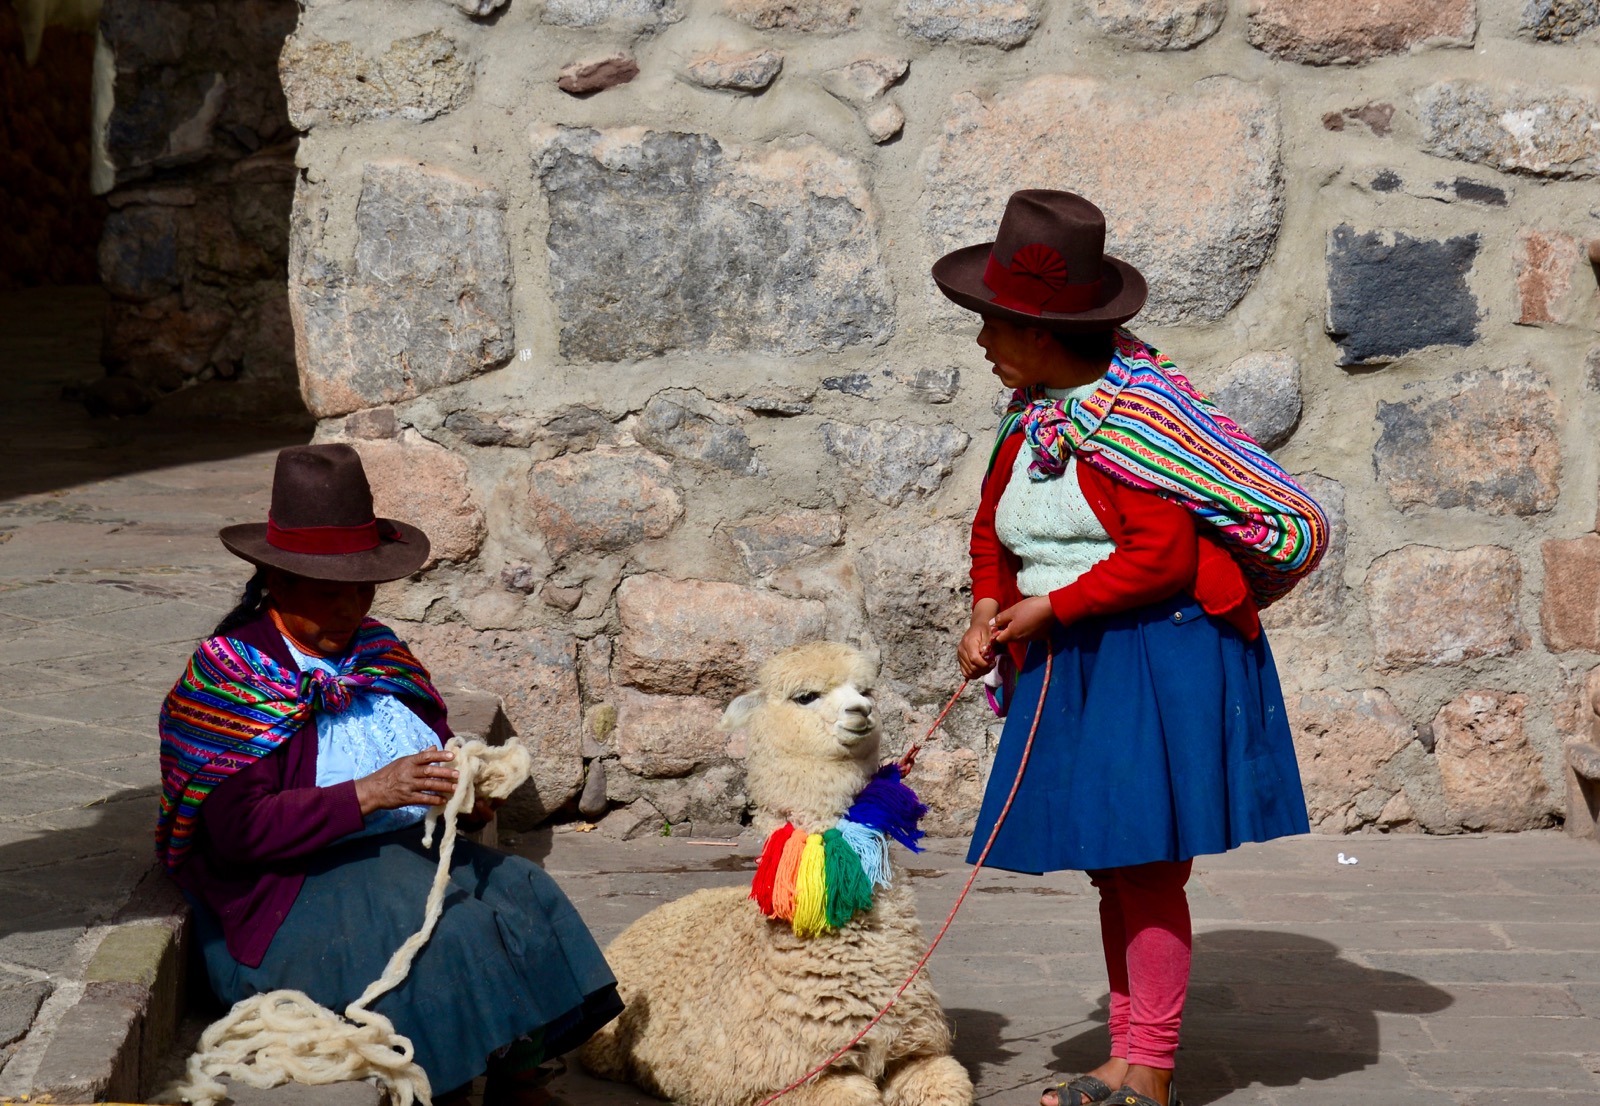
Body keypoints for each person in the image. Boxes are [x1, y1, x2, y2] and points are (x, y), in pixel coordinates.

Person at [933, 191, 1315, 1106]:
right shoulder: (1033, 413)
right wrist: (989, 602)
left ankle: (1146, 1070)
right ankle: (1131, 1055)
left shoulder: (1134, 421)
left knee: (1142, 863)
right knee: (1117, 859)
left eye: (992, 326)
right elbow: (995, 525)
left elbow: (1160, 557)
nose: (982, 343)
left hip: (1154, 655)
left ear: (1042, 333)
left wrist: (1048, 610)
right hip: (1080, 653)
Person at [157, 443, 622, 1105]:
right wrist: (371, 794)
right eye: (327, 596)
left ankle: (521, 1075)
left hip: (394, 859)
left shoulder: (377, 652)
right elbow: (237, 832)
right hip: (280, 895)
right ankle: (449, 1084)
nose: (349, 611)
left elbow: (429, 752)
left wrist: (457, 796)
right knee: (443, 927)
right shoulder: (229, 678)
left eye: (361, 592)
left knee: (520, 890)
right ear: (276, 584)